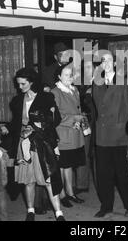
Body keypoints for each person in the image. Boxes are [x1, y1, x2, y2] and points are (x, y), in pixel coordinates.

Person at [3, 68, 65, 221]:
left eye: (23, 84)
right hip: (23, 144)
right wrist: (7, 127)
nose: (20, 87)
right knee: (28, 180)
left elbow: (56, 119)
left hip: (42, 143)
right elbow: (16, 122)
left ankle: (59, 213)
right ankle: (30, 210)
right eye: (18, 84)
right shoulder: (17, 101)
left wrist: (37, 126)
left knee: (49, 178)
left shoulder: (46, 97)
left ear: (31, 82)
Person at [92, 52, 128, 218]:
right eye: (103, 61)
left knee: (122, 173)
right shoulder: (96, 82)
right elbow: (95, 105)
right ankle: (106, 206)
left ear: (115, 63)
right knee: (103, 174)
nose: (106, 63)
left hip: (119, 134)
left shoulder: (125, 82)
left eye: (109, 59)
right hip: (102, 135)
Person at [52, 64, 86, 207]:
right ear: (59, 76)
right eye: (66, 75)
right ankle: (62, 195)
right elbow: (55, 117)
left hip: (75, 133)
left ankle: (70, 192)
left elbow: (77, 109)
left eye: (71, 75)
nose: (69, 77)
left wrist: (81, 117)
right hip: (63, 134)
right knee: (61, 165)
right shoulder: (55, 92)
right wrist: (74, 118)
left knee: (69, 166)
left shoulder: (75, 90)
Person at [76, 60, 97, 194]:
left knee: (98, 155)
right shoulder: (80, 85)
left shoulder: (103, 82)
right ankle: (82, 184)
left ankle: (101, 184)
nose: (89, 70)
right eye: (86, 68)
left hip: (101, 123)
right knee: (83, 153)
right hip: (86, 122)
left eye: (91, 67)